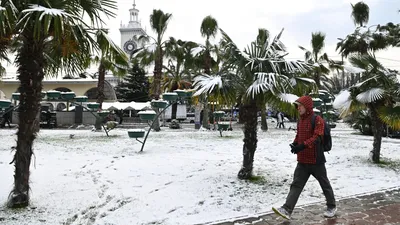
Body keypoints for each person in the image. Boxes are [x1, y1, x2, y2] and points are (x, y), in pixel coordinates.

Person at [272, 95, 336, 220]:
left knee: (324, 184)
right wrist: (295, 144)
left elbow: (317, 137)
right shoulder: (300, 120)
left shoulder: (317, 120)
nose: (298, 108)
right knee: (296, 185)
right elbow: (299, 135)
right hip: (302, 161)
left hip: (316, 160)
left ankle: (331, 206)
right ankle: (286, 209)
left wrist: (302, 146)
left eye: (300, 106)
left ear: (307, 107)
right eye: (297, 106)